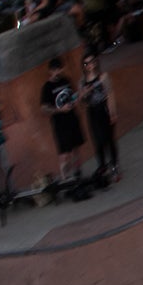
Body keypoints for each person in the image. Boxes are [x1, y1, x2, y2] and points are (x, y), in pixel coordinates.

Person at [41, 58, 87, 185]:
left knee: (75, 149)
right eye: (55, 70)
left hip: (72, 119)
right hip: (60, 123)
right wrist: (59, 110)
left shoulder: (66, 81)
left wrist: (78, 98)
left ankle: (77, 173)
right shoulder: (47, 87)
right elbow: (44, 108)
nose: (57, 72)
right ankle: (65, 178)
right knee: (64, 154)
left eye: (59, 69)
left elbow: (72, 96)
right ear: (50, 71)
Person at [80, 52, 119, 184]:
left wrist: (112, 112)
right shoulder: (82, 81)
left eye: (91, 62)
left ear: (95, 62)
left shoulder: (103, 77)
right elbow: (83, 101)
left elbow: (110, 94)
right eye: (86, 63)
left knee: (109, 139)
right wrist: (85, 94)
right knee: (98, 140)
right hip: (92, 111)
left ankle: (114, 165)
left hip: (103, 108)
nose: (90, 65)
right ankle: (102, 166)